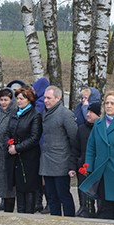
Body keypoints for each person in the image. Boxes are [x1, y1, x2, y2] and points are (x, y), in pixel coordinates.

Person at [79, 91, 114, 220]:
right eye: (107, 103)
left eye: (112, 103)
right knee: (103, 208)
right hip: (101, 173)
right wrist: (89, 168)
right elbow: (91, 148)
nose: (109, 106)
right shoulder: (98, 124)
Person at [39, 85, 77, 217]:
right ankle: (54, 220)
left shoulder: (65, 114)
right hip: (47, 161)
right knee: (51, 195)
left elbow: (74, 139)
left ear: (58, 98)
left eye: (49, 98)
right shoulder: (46, 113)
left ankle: (70, 220)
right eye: (44, 98)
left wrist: (72, 162)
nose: (45, 101)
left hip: (61, 161)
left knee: (63, 194)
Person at [5, 86, 43, 213]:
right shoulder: (15, 114)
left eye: (21, 99)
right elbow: (8, 132)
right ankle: (20, 213)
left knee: (29, 186)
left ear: (29, 100)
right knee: (19, 187)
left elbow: (34, 137)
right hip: (15, 157)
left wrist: (18, 148)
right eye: (18, 99)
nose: (19, 101)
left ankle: (29, 213)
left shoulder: (35, 115)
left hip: (29, 157)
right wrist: (9, 144)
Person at [75, 102, 101, 218]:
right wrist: (75, 163)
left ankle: (99, 210)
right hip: (83, 165)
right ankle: (85, 208)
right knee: (83, 189)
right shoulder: (81, 129)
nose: (88, 114)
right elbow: (75, 148)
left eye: (91, 112)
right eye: (88, 111)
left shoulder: (102, 128)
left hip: (98, 166)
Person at [31, 76, 50, 213]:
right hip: (40, 143)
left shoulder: (39, 104)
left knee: (42, 175)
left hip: (41, 144)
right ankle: (39, 202)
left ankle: (43, 202)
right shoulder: (41, 103)